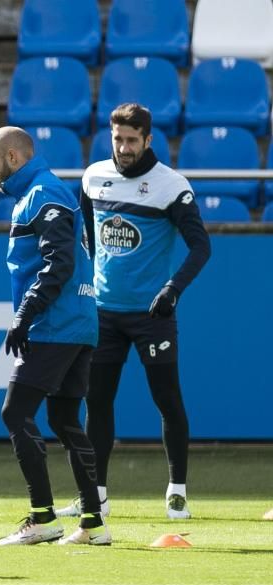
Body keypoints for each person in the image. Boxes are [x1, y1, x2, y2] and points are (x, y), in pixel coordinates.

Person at [56, 103, 210, 520]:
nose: (123, 147)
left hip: (151, 316)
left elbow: (201, 246)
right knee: (98, 402)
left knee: (167, 400)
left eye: (131, 140)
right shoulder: (93, 177)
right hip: (103, 314)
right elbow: (87, 237)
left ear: (148, 139)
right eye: (117, 139)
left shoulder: (170, 185)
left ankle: (177, 490)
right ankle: (97, 497)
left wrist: (172, 289)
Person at [0, 126, 109, 546]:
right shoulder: (44, 192)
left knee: (15, 412)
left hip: (55, 323)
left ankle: (41, 517)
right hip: (80, 321)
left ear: (13, 158)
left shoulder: (43, 194)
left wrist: (24, 315)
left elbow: (59, 264)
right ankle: (92, 523)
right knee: (65, 419)